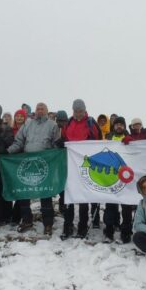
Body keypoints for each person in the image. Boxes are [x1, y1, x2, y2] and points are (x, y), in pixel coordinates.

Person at [7, 102, 61, 235]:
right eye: (38, 108)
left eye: (42, 108)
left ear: (47, 111)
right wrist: (8, 151)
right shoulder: (28, 123)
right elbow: (19, 141)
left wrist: (56, 154)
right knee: (24, 193)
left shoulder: (52, 125)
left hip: (44, 164)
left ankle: (48, 223)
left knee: (45, 193)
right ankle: (26, 220)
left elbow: (56, 144)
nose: (40, 110)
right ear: (35, 111)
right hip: (27, 163)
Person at [61, 99, 102, 240]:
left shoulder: (91, 123)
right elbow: (64, 138)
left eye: (80, 111)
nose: (78, 113)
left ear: (84, 110)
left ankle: (82, 227)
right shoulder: (69, 123)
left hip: (85, 165)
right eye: (76, 110)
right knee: (69, 196)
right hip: (70, 164)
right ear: (72, 111)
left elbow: (98, 142)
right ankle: (67, 226)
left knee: (83, 196)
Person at [102, 117, 135, 243]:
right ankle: (109, 231)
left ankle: (126, 232)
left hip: (126, 178)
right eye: (117, 125)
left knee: (126, 208)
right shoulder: (108, 138)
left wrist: (131, 143)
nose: (119, 126)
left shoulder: (129, 138)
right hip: (111, 177)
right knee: (110, 206)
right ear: (113, 126)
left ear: (125, 126)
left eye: (121, 124)